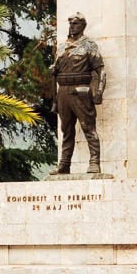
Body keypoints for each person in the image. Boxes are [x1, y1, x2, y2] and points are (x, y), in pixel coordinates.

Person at [50, 12, 106, 175]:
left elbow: (101, 71)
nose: (72, 27)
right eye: (70, 24)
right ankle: (64, 164)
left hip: (81, 90)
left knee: (88, 127)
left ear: (82, 26)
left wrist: (99, 92)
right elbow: (57, 67)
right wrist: (54, 69)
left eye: (75, 24)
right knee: (66, 130)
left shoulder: (89, 45)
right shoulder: (62, 46)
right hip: (63, 92)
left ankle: (94, 162)